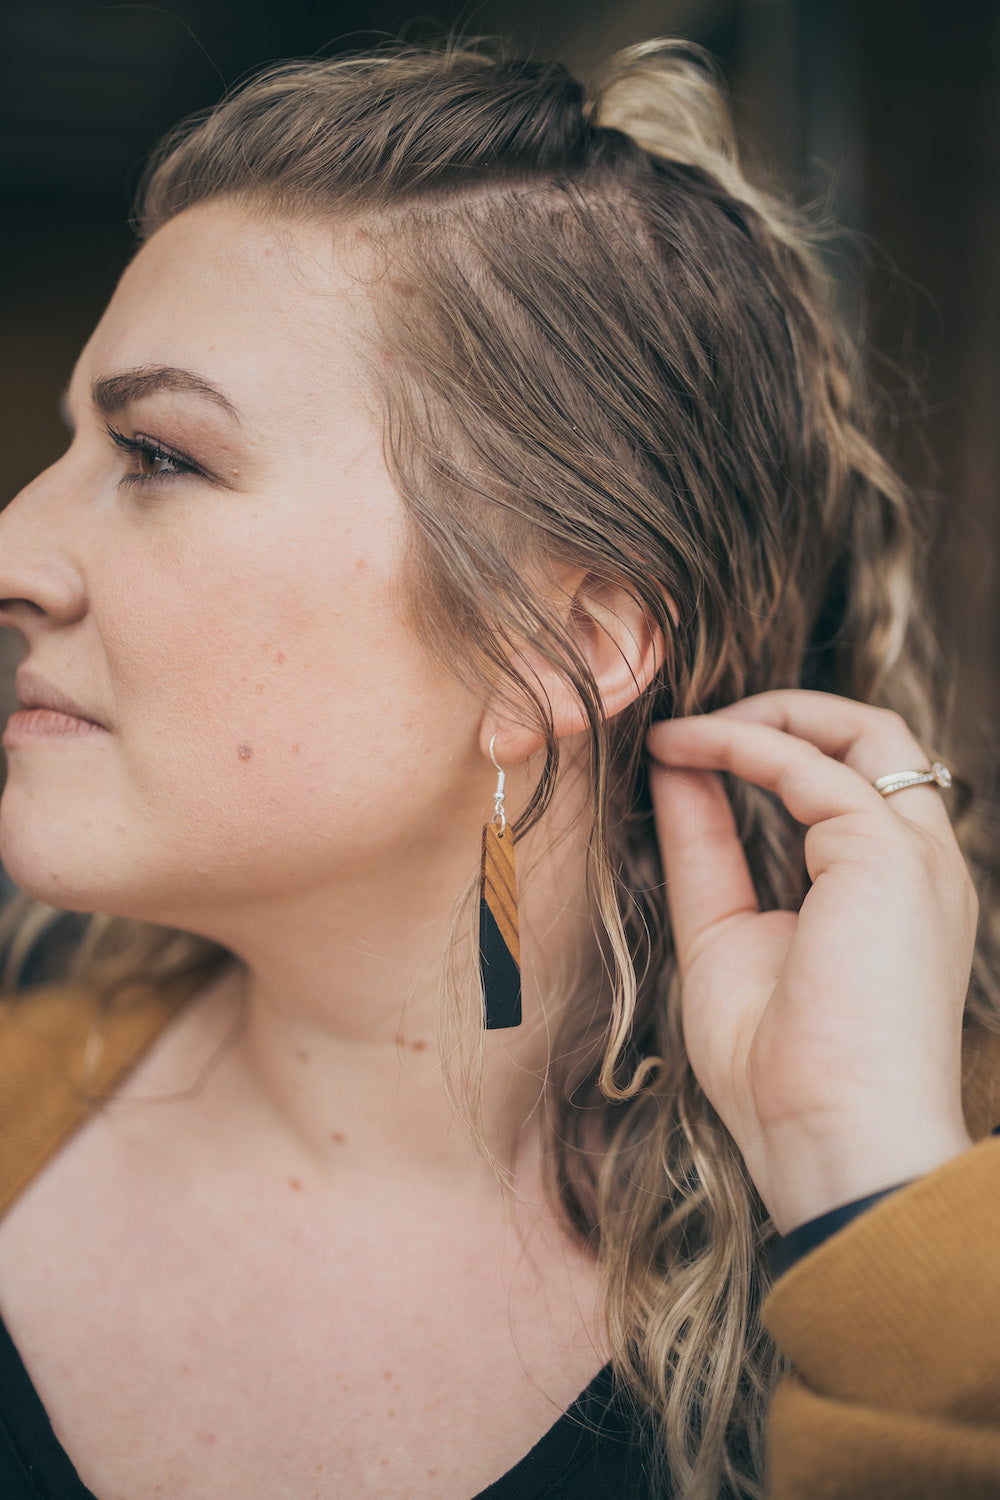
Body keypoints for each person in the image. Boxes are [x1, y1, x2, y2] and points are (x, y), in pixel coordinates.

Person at [0, 38, 997, 1500]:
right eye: (67, 445)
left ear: (556, 650)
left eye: (158, 457)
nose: (16, 549)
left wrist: (866, 1192)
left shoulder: (939, 1222)